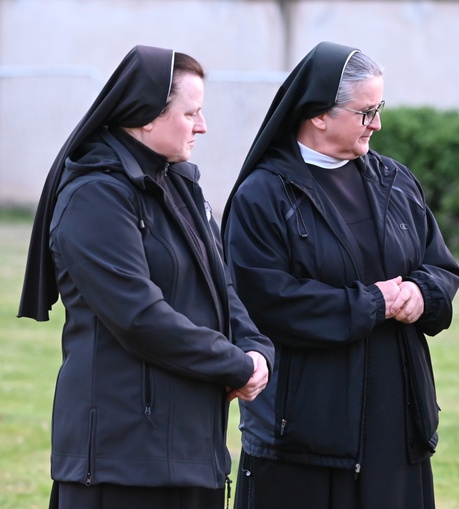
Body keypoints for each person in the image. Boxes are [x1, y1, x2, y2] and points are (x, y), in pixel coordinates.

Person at [17, 45, 274, 509]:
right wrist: (235, 366)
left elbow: (223, 287)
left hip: (192, 452)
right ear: (147, 116)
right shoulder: (94, 196)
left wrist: (257, 350)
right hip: (123, 461)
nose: (202, 126)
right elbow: (138, 316)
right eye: (191, 113)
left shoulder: (181, 186)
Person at [221, 41, 459, 509]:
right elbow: (266, 301)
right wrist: (375, 303)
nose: (377, 123)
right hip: (307, 428)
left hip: (395, 419)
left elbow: (440, 265)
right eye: (366, 111)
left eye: (379, 108)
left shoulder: (394, 178)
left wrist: (420, 291)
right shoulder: (264, 195)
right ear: (318, 115)